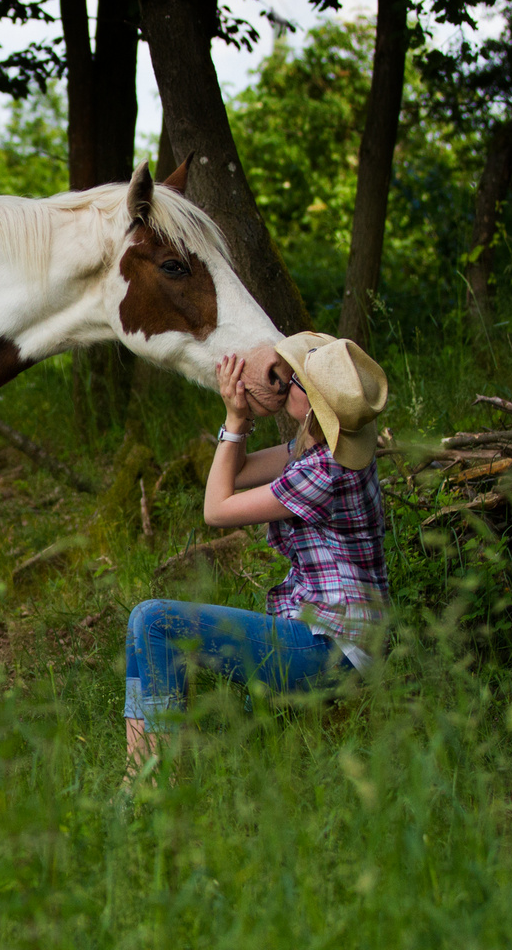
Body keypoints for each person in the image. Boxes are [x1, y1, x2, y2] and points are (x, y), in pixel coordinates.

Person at [123, 332, 391, 776]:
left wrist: (233, 416)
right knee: (250, 746)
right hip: (338, 643)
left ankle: (147, 781)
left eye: (298, 381)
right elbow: (241, 469)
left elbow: (217, 509)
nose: (288, 381)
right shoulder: (321, 452)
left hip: (332, 650)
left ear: (314, 404)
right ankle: (157, 769)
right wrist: (240, 421)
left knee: (152, 621)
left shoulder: (322, 472)